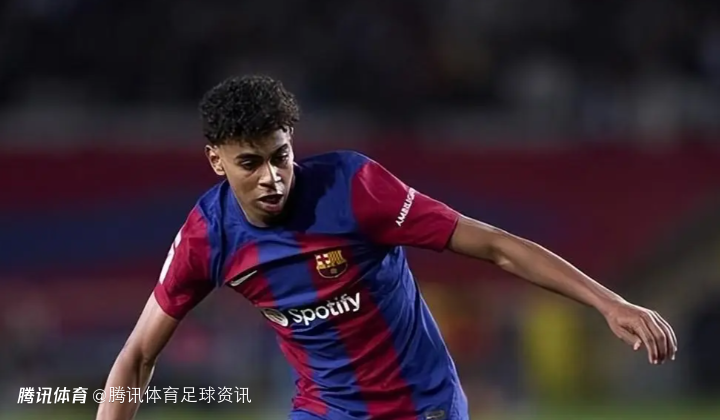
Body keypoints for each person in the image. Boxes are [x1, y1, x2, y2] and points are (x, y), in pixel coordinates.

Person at [96, 75, 677, 420]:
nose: (272, 177)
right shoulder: (207, 237)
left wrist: (611, 304)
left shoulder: (353, 189)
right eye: (250, 163)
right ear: (216, 161)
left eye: (281, 157)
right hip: (324, 411)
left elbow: (496, 246)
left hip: (420, 407)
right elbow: (137, 356)